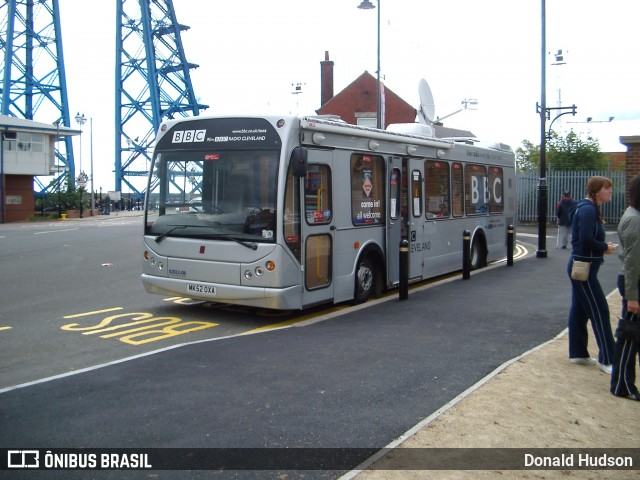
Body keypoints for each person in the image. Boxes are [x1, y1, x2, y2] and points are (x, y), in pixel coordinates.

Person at [567, 176, 617, 374]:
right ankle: (608, 359)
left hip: (583, 265)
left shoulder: (586, 208)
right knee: (599, 310)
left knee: (580, 310)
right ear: (597, 191)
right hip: (584, 268)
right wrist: (605, 247)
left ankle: (578, 353)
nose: (610, 192)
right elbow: (586, 238)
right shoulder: (588, 210)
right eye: (607, 188)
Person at [611, 173, 640, 401]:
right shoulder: (635, 220)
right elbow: (632, 261)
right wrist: (632, 296)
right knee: (630, 336)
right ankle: (622, 384)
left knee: (632, 335)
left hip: (634, 281)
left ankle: (623, 382)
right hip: (634, 284)